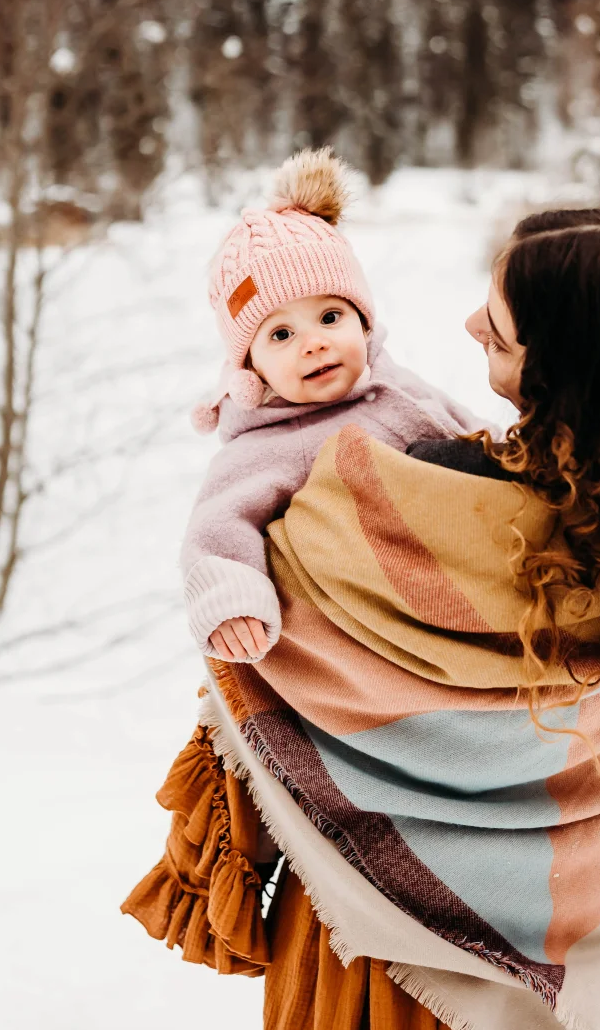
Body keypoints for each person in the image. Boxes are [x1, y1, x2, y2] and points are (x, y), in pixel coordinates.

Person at [125, 204, 600, 1030]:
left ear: (563, 366)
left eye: (499, 324)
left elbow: (252, 701)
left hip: (373, 956)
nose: (468, 325)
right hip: (589, 952)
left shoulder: (337, 514)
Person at [180, 146, 483, 665]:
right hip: (388, 626)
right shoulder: (272, 443)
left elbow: (474, 433)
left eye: (329, 317)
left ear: (362, 320)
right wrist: (232, 600)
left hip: (472, 567)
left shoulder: (396, 382)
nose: (314, 344)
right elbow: (217, 526)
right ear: (251, 368)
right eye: (280, 333)